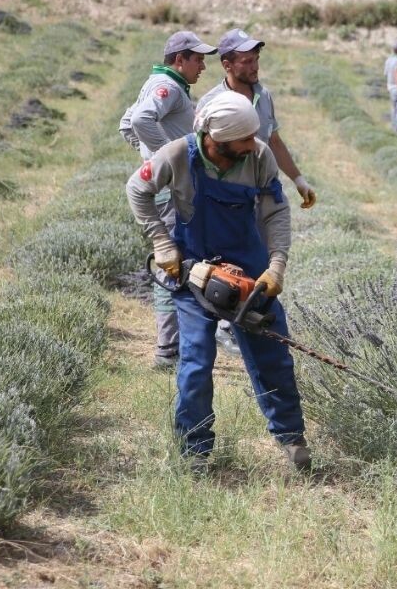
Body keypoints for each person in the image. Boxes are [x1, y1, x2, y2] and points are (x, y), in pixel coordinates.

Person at [126, 92, 310, 472]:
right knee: (196, 360)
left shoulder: (259, 156)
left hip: (250, 271)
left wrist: (276, 265)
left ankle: (292, 440)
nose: (251, 145)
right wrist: (162, 241)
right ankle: (194, 452)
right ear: (214, 139)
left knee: (273, 358)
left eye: (252, 137)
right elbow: (137, 190)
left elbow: (276, 211)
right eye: (242, 140)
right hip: (194, 273)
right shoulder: (177, 155)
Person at [119, 30, 217, 369]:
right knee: (174, 263)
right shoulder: (169, 87)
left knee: (178, 262)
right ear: (180, 60)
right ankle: (167, 350)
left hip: (168, 186)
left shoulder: (158, 82)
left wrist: (151, 159)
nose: (203, 66)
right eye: (198, 59)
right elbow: (141, 120)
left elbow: (125, 123)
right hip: (172, 190)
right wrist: (167, 159)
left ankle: (175, 345)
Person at [197, 28, 317, 210]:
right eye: (247, 62)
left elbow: (274, 141)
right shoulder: (211, 103)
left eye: (256, 59)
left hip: (262, 195)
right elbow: (199, 154)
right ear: (227, 65)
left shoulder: (264, 95)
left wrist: (299, 180)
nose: (255, 67)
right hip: (226, 200)